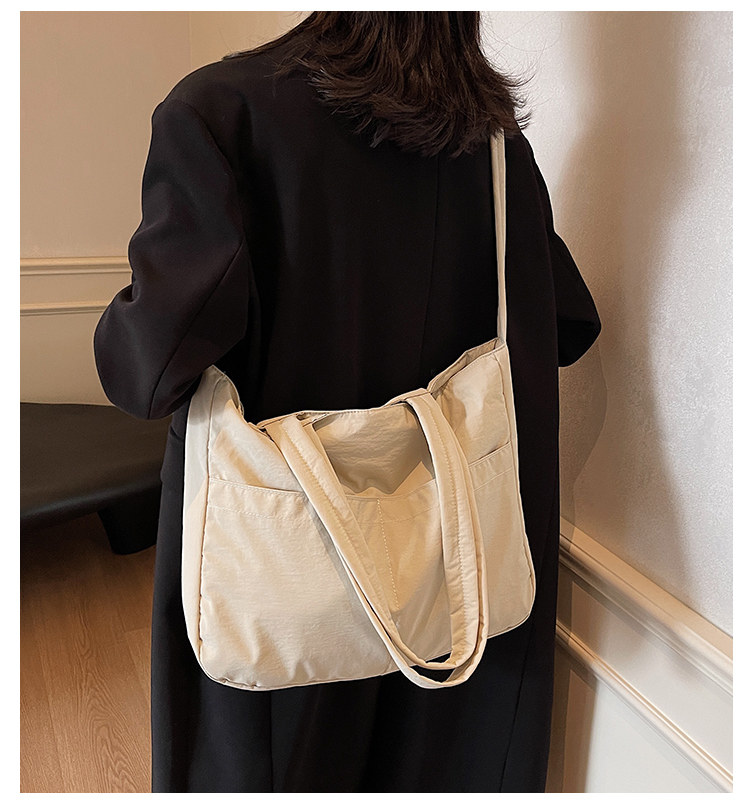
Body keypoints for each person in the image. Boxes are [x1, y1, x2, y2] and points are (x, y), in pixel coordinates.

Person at [94, 11, 601, 792]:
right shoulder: (495, 147)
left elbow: (147, 373)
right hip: (458, 599)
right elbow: (565, 323)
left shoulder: (222, 114)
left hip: (288, 611)